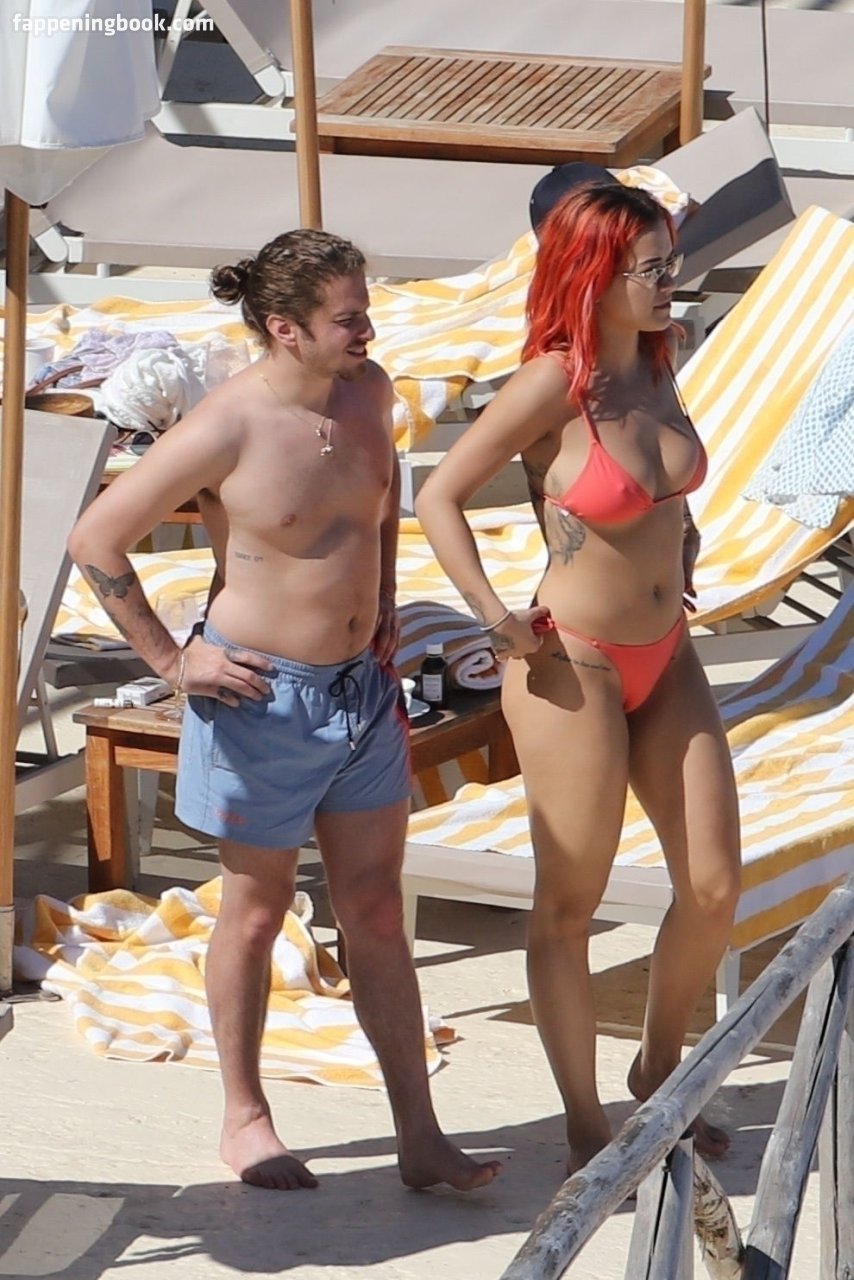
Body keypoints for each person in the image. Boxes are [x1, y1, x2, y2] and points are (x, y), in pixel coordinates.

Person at [68, 228, 502, 1194]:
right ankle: (245, 1118)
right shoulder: (228, 425)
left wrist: (384, 603)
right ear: (285, 328)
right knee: (258, 912)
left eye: (365, 311)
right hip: (262, 699)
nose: (368, 330)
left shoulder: (370, 391)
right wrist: (174, 661)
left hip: (362, 691)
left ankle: (419, 1135)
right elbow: (96, 538)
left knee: (375, 909)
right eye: (348, 318)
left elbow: (379, 504)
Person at [414, 183, 741, 1172]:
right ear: (593, 276)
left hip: (666, 652)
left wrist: (683, 543)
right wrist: (494, 617)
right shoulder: (550, 383)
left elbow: (663, 488)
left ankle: (657, 1069)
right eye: (648, 268)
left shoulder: (660, 356)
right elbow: (437, 496)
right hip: (572, 664)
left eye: (670, 261)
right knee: (569, 905)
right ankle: (586, 1126)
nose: (668, 281)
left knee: (714, 884)